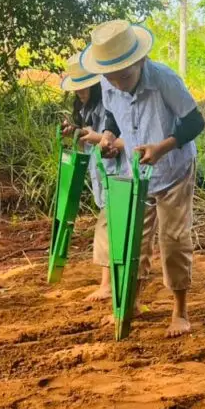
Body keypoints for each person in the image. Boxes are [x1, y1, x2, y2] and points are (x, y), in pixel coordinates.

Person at [80, 20, 205, 337]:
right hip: (136, 170)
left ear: (139, 61)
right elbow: (111, 115)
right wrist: (108, 137)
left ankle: (180, 311)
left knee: (174, 239)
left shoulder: (164, 79)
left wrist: (162, 147)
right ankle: (130, 302)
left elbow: (194, 122)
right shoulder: (109, 82)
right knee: (133, 238)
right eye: (111, 78)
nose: (118, 84)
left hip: (173, 168)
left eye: (124, 76)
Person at [60, 53, 123, 303]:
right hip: (102, 175)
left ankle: (107, 284)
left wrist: (98, 138)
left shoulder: (110, 105)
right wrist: (76, 132)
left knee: (106, 228)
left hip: (117, 173)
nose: (80, 93)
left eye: (84, 87)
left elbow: (120, 138)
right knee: (111, 226)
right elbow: (91, 134)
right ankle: (113, 281)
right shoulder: (85, 108)